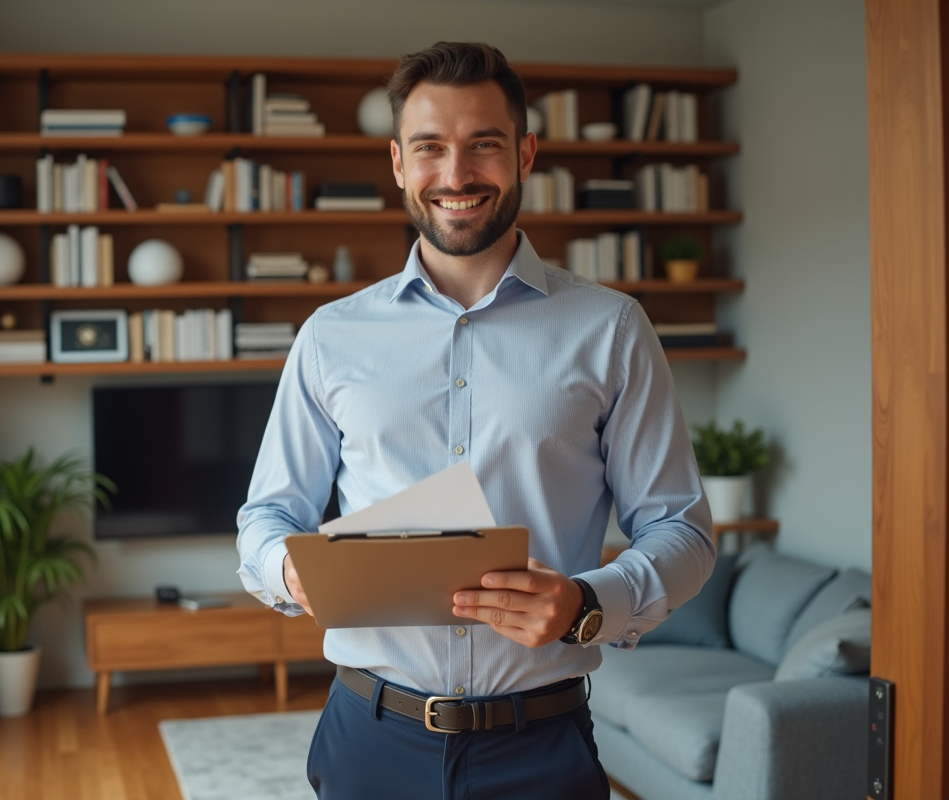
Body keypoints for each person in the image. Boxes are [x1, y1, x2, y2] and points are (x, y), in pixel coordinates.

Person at [236, 41, 714, 800]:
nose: (456, 176)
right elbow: (267, 514)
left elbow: (683, 532)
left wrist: (587, 604)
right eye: (431, 149)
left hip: (541, 747)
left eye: (483, 145)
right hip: (369, 740)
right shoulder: (329, 336)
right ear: (398, 163)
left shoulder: (613, 329)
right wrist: (288, 570)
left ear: (525, 153)